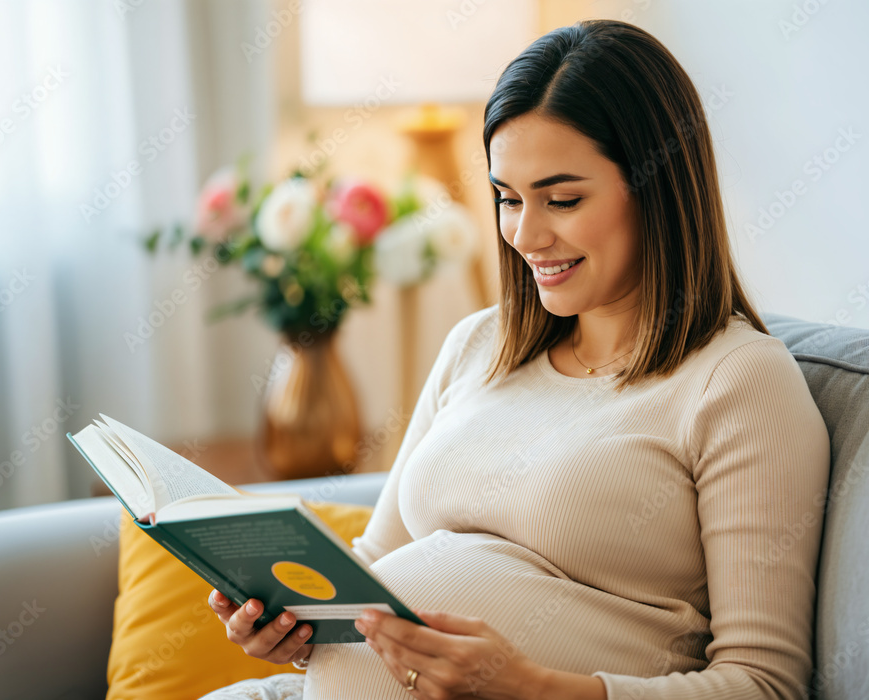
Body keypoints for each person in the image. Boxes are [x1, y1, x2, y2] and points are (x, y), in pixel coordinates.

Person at [201, 18, 831, 700]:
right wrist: (295, 631)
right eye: (507, 198)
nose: (526, 235)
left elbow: (765, 685)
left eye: (563, 199)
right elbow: (376, 570)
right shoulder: (479, 344)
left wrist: (532, 688)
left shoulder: (738, 382)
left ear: (657, 187)